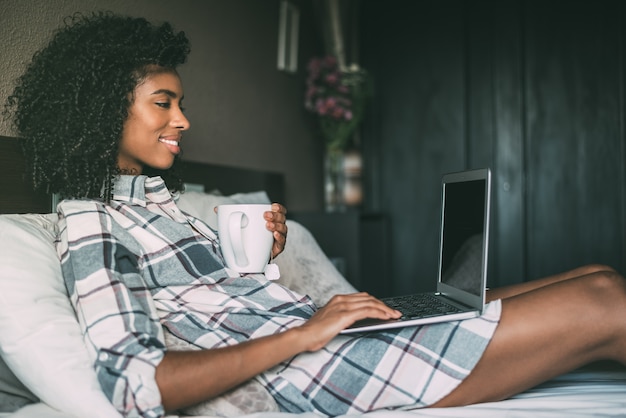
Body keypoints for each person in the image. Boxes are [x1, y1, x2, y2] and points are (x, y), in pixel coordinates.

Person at [4, 11, 626, 418]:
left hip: (323, 335)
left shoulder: (162, 207)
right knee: (606, 300)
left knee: (595, 272)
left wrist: (258, 262)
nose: (183, 121)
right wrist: (305, 332)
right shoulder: (92, 224)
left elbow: (208, 310)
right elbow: (139, 384)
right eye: (163, 104)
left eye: (181, 102)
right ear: (101, 113)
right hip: (309, 367)